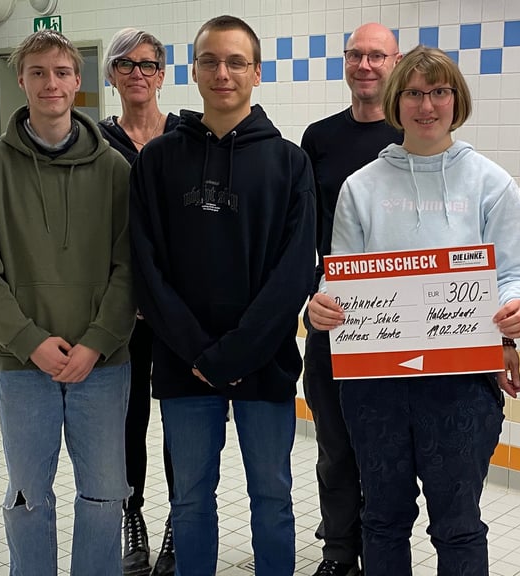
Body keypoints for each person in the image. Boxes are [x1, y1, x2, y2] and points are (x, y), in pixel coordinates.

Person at [308, 45, 520, 576]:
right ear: (395, 100)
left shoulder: (491, 183)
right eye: (413, 92)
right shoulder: (360, 187)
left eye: (438, 91)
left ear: (457, 100)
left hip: (461, 383)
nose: (426, 104)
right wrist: (322, 302)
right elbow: (337, 271)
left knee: (457, 524)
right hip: (375, 383)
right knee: (382, 519)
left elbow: (515, 272)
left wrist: (515, 306)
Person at [129, 15, 315, 576]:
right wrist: (201, 356)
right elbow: (146, 268)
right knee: (188, 502)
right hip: (186, 365)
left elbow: (293, 273)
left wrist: (234, 355)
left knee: (273, 502)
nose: (222, 72)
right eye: (210, 60)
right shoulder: (158, 160)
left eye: (236, 61)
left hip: (265, 362)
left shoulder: (288, 162)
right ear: (193, 70)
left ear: (256, 72)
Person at [0, 29, 136, 576]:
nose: (50, 84)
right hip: (21, 366)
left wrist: (96, 343)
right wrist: (31, 342)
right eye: (38, 73)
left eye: (61, 73)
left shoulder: (115, 170)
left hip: (101, 366)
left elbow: (128, 270)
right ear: (21, 82)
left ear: (78, 82)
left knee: (106, 496)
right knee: (28, 495)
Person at [299, 22, 402, 576]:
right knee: (335, 447)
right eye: (356, 55)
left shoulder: (414, 134)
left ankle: (383, 548)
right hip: (334, 319)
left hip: (399, 322)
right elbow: (304, 236)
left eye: (377, 56)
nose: (365, 65)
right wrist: (308, 297)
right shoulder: (320, 137)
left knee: (383, 449)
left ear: (396, 62)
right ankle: (338, 553)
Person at [98, 27, 180, 576]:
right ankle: (133, 515)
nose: (137, 74)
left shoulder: (186, 136)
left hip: (178, 308)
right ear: (110, 75)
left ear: (163, 73)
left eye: (148, 65)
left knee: (182, 418)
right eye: (125, 65)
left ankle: (182, 517)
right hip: (121, 309)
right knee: (127, 421)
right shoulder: (97, 141)